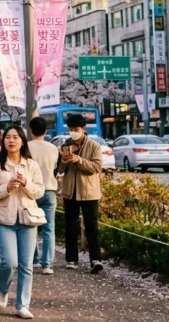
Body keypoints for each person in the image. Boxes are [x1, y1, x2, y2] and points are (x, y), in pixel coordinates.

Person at [0, 125, 45, 319]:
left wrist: (26, 183)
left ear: (22, 141)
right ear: (3, 141)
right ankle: (3, 288)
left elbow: (40, 191)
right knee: (9, 262)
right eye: (8, 137)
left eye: (16, 137)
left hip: (28, 218)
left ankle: (22, 305)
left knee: (26, 264)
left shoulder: (31, 165)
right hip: (5, 219)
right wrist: (7, 187)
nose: (11, 140)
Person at [57, 113, 104, 274]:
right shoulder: (66, 145)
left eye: (76, 129)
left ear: (84, 129)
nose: (73, 132)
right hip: (70, 191)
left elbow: (96, 168)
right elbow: (59, 170)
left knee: (91, 226)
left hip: (89, 192)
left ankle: (95, 259)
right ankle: (71, 259)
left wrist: (79, 160)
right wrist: (64, 161)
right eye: (70, 129)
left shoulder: (93, 146)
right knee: (71, 226)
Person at [28, 117, 59, 275]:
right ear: (46, 131)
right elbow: (55, 168)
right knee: (49, 228)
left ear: (30, 130)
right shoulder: (53, 148)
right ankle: (47, 264)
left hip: (31, 191)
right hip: (49, 189)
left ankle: (34, 260)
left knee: (31, 226)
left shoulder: (26, 147)